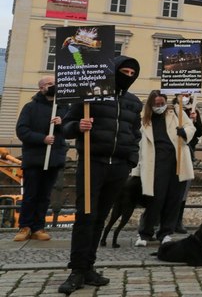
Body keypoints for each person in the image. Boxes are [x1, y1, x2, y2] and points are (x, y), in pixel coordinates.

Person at [58, 56, 143, 295]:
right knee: (85, 216)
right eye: (123, 71)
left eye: (131, 73)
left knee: (100, 217)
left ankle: (89, 267)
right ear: (114, 71)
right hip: (92, 162)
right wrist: (78, 127)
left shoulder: (133, 103)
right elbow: (66, 126)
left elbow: (135, 134)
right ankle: (77, 269)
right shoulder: (90, 96)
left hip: (118, 167)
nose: (127, 76)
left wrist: (130, 160)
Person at [134, 90, 197, 245]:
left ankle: (166, 232)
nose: (160, 106)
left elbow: (191, 127)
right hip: (156, 164)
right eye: (157, 104)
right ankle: (145, 233)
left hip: (177, 162)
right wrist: (135, 171)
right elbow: (139, 147)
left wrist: (184, 132)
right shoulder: (144, 121)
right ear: (151, 104)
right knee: (155, 200)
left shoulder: (175, 112)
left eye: (162, 103)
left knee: (173, 199)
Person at [15, 75, 69, 242]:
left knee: (45, 195)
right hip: (34, 158)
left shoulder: (63, 108)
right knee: (31, 194)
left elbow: (71, 131)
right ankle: (25, 226)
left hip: (53, 158)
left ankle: (39, 227)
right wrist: (42, 139)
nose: (52, 86)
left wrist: (63, 123)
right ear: (41, 88)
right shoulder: (30, 108)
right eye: (49, 84)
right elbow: (22, 130)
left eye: (54, 83)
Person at [172, 93, 202, 234]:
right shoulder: (171, 109)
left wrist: (194, 121)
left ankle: (178, 221)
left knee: (183, 190)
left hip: (188, 154)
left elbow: (200, 132)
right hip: (171, 152)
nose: (186, 96)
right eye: (183, 94)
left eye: (188, 94)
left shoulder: (193, 110)